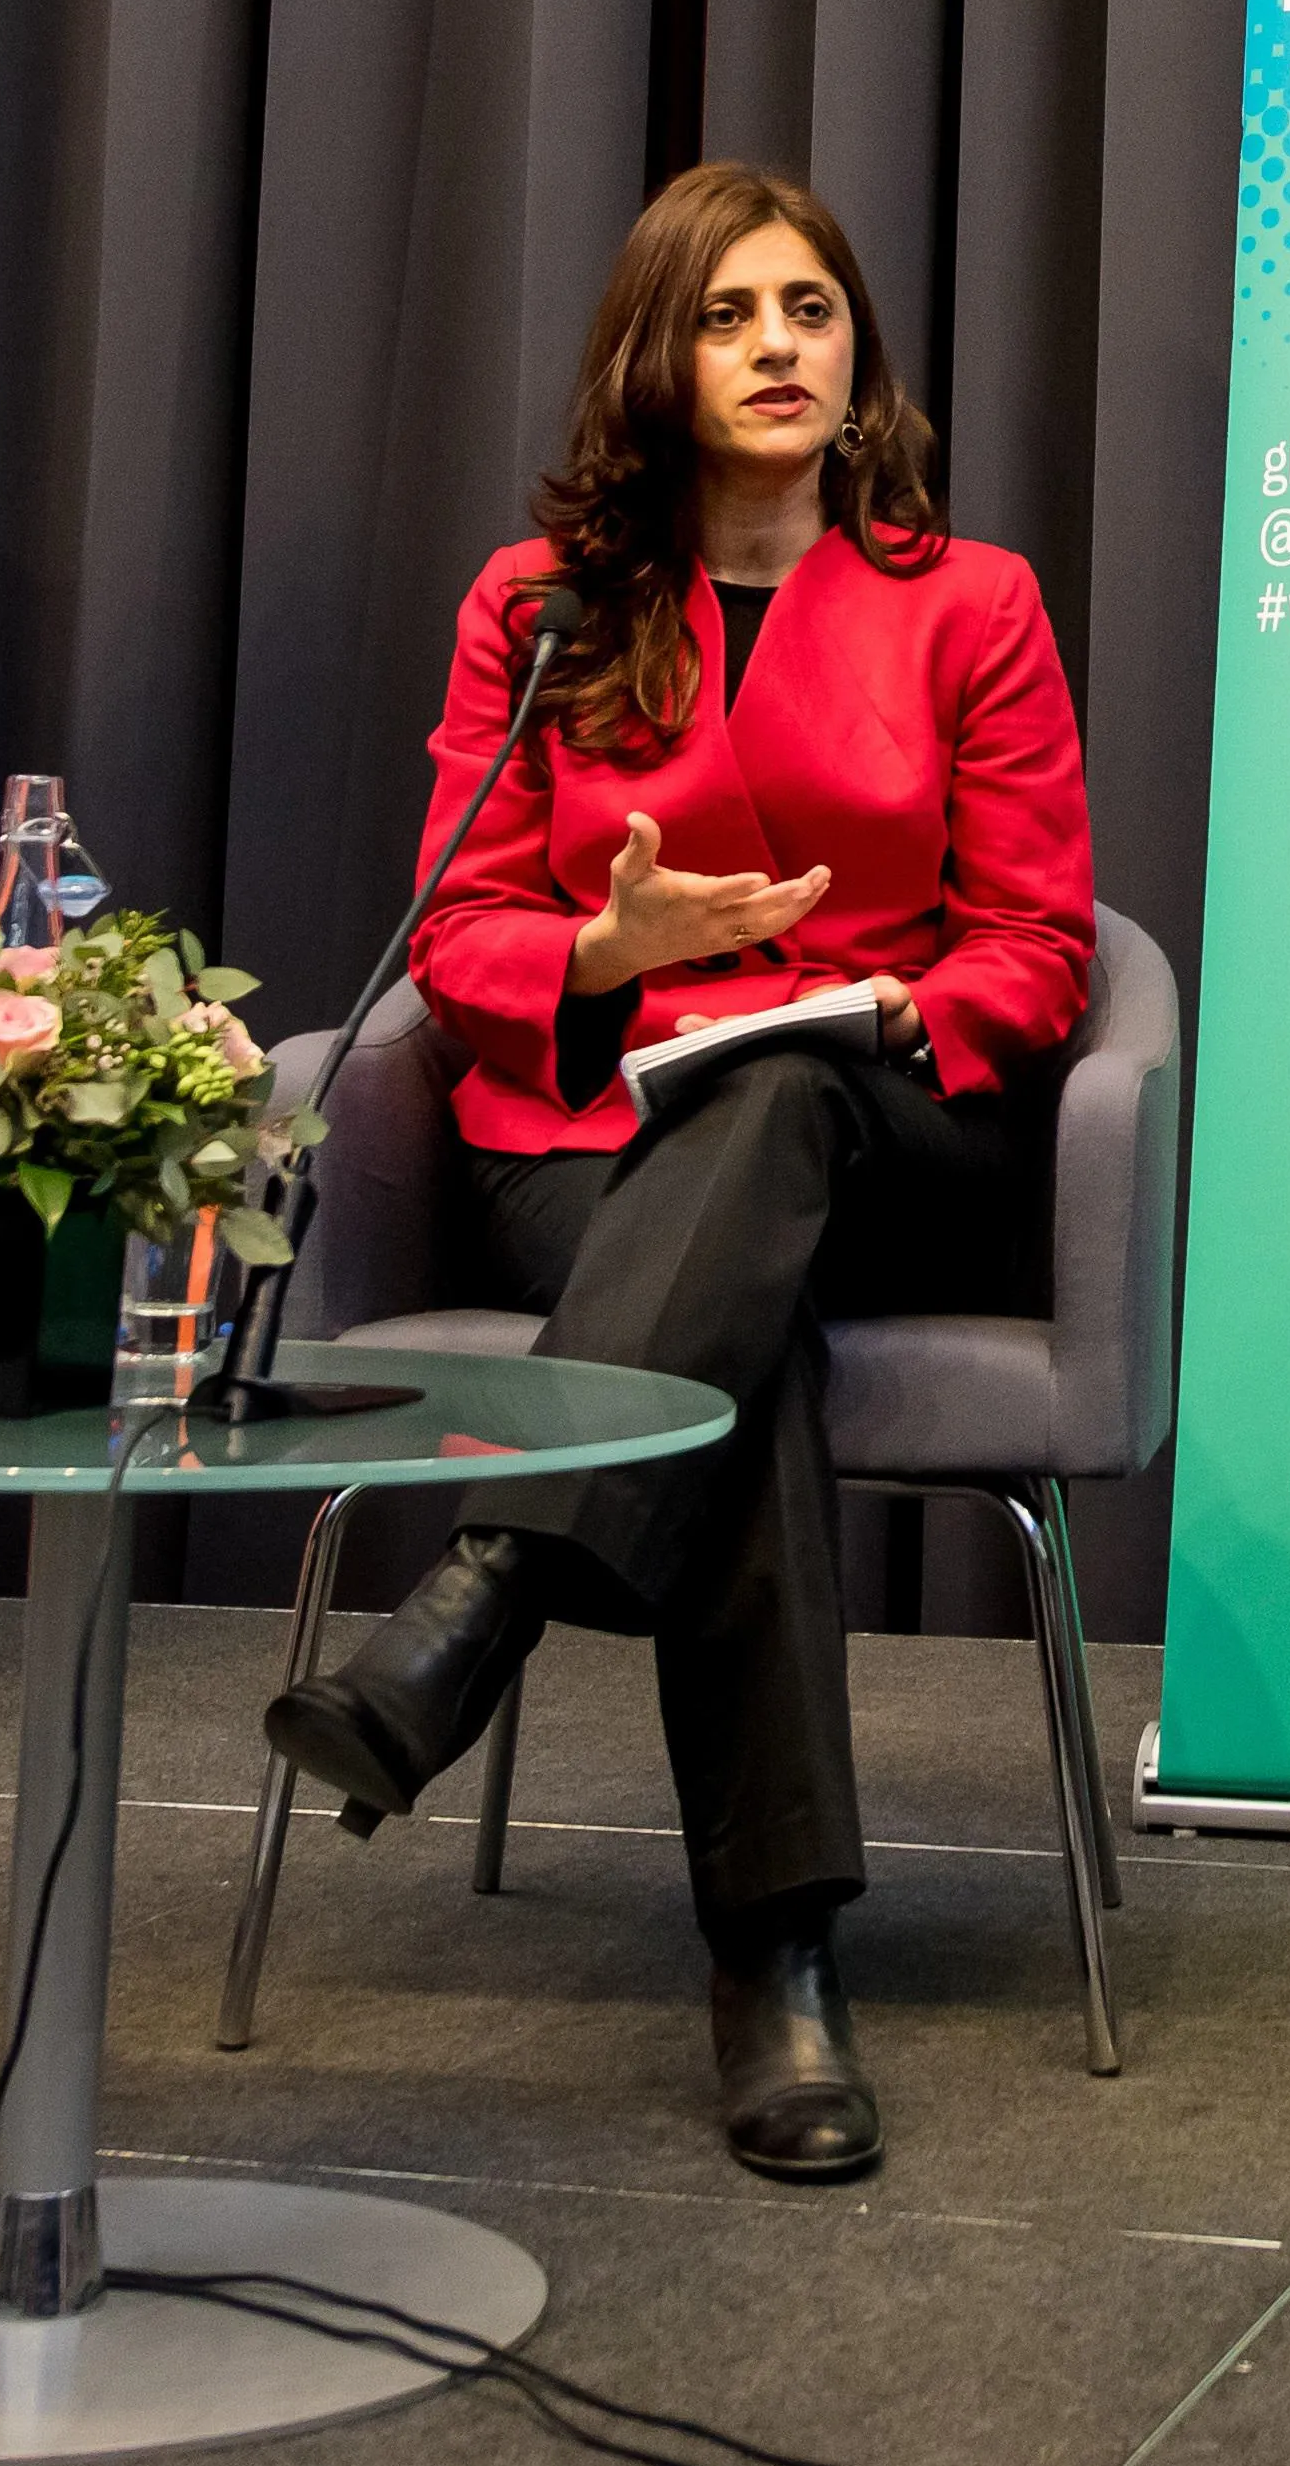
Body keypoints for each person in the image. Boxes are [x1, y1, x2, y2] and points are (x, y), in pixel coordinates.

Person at [261, 162, 1093, 2181]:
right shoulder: (538, 609)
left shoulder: (959, 598)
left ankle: (489, 1574)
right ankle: (776, 1961)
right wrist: (606, 954)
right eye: (730, 314)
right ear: (658, 352)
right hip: (595, 1133)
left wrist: (890, 1014)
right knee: (748, 1360)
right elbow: (452, 939)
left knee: (784, 1099)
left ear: (854, 348)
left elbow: (1042, 939)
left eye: (809, 307)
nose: (781, 346)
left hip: (889, 1118)